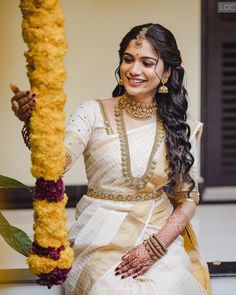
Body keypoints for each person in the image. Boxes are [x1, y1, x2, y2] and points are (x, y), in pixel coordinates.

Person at [10, 23, 211, 295]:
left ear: (167, 72)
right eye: (128, 59)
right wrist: (34, 124)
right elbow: (56, 164)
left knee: (174, 288)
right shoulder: (92, 112)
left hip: (157, 238)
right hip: (97, 240)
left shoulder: (181, 128)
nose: (134, 70)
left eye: (147, 62)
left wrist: (156, 246)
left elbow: (187, 198)